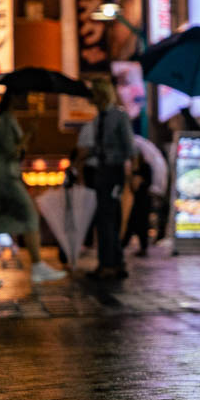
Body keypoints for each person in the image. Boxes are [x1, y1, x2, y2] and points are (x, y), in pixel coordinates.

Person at [0, 96, 65, 282]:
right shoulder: (4, 121)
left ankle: (37, 265)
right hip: (5, 176)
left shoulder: (6, 120)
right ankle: (37, 265)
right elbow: (12, 151)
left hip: (2, 175)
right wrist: (28, 133)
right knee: (30, 214)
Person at [76, 80, 135, 280]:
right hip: (102, 170)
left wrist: (133, 173)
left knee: (107, 217)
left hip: (113, 170)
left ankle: (109, 264)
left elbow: (129, 146)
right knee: (107, 217)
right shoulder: (99, 118)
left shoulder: (117, 116)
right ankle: (112, 262)